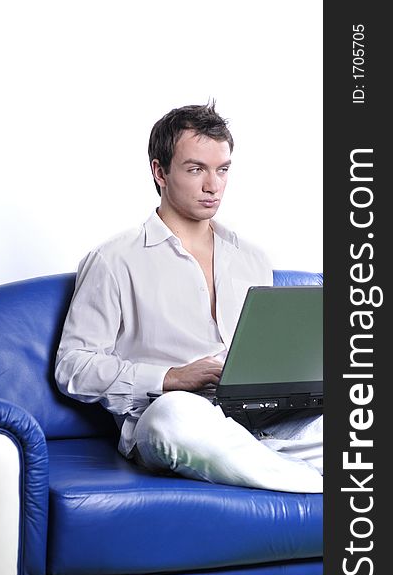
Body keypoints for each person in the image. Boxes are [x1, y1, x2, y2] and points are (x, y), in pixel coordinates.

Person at [55, 101, 323, 493]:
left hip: (259, 418)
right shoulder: (113, 260)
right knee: (175, 417)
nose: (213, 185)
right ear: (159, 172)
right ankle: (318, 486)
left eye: (223, 169)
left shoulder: (252, 257)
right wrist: (169, 378)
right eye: (196, 169)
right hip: (177, 417)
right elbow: (73, 367)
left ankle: (272, 464)